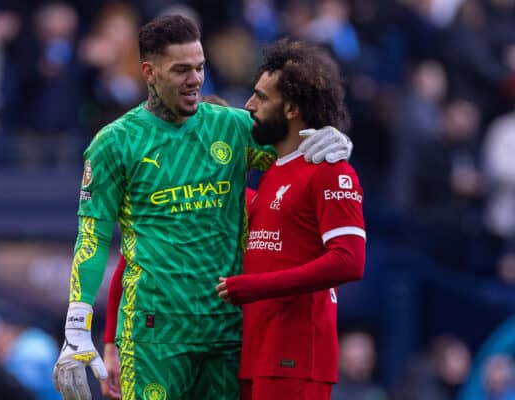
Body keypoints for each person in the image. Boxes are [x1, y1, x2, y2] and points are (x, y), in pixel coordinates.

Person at [52, 15, 353, 400]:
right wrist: (77, 327)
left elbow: (299, 157)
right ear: (149, 71)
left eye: (200, 67)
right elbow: (91, 237)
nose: (195, 79)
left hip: (226, 332)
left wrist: (334, 141)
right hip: (153, 334)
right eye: (181, 70)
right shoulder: (114, 144)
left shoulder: (233, 127)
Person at [215, 39, 366, 400]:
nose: (249, 106)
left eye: (262, 98)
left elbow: (350, 261)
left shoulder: (331, 170)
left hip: (297, 359)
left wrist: (253, 286)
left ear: (292, 108)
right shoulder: (272, 175)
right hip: (257, 352)